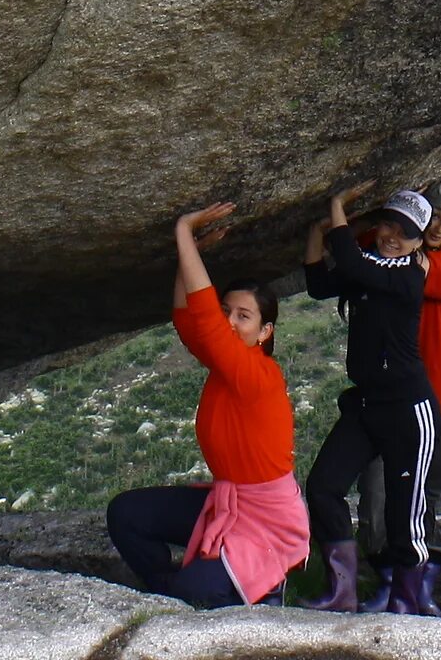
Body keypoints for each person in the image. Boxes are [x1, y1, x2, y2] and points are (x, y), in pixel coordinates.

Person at [103, 204, 308, 607]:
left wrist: (182, 232)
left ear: (265, 332)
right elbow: (187, 319)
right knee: (126, 514)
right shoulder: (225, 364)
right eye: (226, 312)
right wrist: (190, 253)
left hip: (266, 520)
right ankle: (169, 592)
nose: (231, 321)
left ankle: (261, 584)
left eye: (243, 316)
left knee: (195, 591)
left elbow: (208, 326)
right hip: (229, 500)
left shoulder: (257, 375)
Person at [300, 184, 441, 615]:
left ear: (420, 241)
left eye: (406, 232)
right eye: (388, 224)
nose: (393, 236)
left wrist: (338, 207)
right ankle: (342, 590)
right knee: (323, 486)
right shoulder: (374, 264)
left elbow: (353, 266)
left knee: (406, 513)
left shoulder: (408, 275)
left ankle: (406, 601)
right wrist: (316, 230)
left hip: (408, 409)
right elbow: (319, 284)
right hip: (366, 406)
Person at [360, 172, 441, 567]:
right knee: (380, 475)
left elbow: (406, 263)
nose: (440, 228)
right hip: (401, 385)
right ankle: (378, 551)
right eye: (435, 217)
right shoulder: (411, 249)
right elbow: (369, 245)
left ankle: (438, 553)